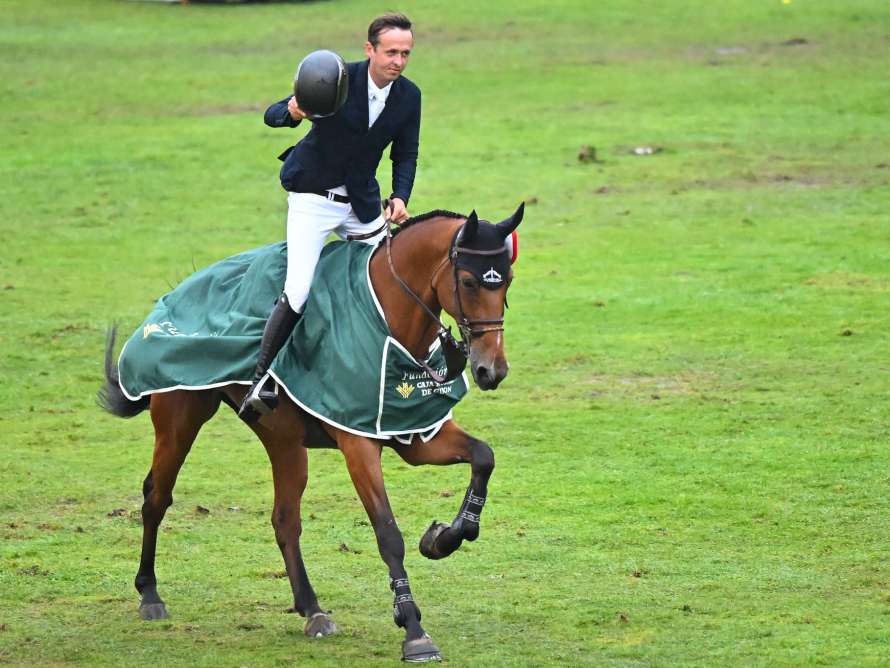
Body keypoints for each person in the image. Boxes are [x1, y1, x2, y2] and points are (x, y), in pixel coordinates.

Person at [239, 12, 421, 423]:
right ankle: (260, 378)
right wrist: (293, 112)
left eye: (406, 53)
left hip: (361, 203)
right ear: (369, 49)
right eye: (391, 52)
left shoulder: (409, 97)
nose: (399, 61)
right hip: (312, 198)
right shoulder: (336, 79)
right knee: (299, 288)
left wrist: (400, 196)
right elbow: (272, 115)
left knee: (391, 279)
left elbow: (405, 152)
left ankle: (393, 369)